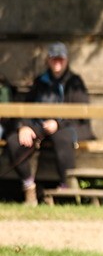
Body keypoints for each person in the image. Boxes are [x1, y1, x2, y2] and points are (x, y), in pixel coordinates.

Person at [4, 42, 95, 205]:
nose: (57, 63)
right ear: (48, 60)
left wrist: (58, 124)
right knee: (13, 140)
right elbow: (27, 108)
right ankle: (28, 187)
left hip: (68, 126)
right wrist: (24, 126)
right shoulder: (40, 81)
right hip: (39, 126)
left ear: (66, 60)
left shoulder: (75, 82)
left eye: (61, 59)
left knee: (62, 138)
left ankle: (66, 187)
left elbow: (81, 112)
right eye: (54, 59)